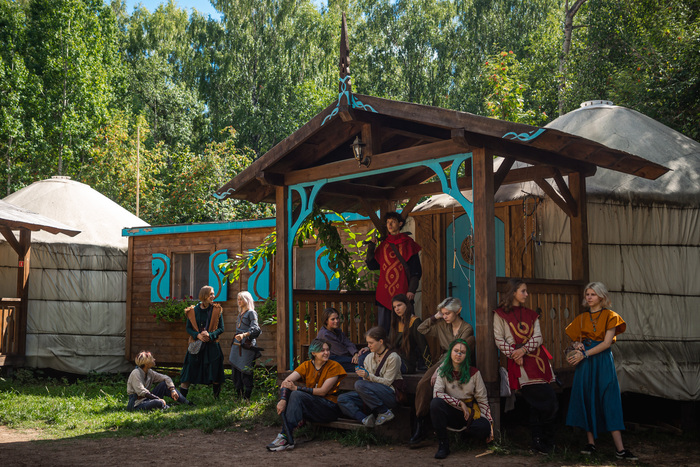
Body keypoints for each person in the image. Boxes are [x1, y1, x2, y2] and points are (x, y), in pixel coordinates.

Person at [565, 282, 637, 461]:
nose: (589, 297)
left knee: (609, 399)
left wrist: (585, 354)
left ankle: (620, 449)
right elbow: (574, 340)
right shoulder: (582, 318)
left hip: (602, 361)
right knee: (587, 397)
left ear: (602, 297)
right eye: (587, 294)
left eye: (593, 294)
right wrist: (577, 344)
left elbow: (606, 343)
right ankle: (591, 444)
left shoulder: (611, 316)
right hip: (585, 363)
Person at [493, 278, 558, 453]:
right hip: (519, 364)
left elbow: (538, 337)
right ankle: (545, 441)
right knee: (545, 400)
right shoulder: (500, 314)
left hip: (537, 361)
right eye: (523, 291)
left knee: (541, 403)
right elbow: (499, 339)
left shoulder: (531, 314)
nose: (526, 294)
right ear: (513, 292)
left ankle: (541, 443)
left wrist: (523, 350)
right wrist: (515, 354)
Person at [410, 297, 476, 445]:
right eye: (443, 313)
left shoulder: (467, 328)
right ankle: (420, 423)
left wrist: (440, 369)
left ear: (458, 311)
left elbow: (458, 350)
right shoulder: (441, 325)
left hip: (458, 361)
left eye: (448, 313)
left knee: (432, 379)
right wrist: (435, 317)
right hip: (443, 359)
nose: (445, 316)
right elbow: (421, 329)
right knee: (423, 383)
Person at [266, 338, 346, 451]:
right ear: (313, 353)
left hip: (329, 408)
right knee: (292, 394)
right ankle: (286, 437)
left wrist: (297, 388)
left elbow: (323, 391)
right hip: (312, 408)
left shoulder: (334, 366)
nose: (326, 352)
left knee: (296, 394)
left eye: (327, 350)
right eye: (322, 350)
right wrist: (283, 400)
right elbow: (286, 382)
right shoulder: (306, 365)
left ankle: (285, 436)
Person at [430, 339, 493, 459]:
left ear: (466, 356)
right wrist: (459, 403)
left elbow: (482, 400)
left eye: (462, 352)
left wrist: (490, 426)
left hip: (469, 414)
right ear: (450, 352)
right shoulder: (442, 371)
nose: (458, 354)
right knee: (435, 404)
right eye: (456, 351)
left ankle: (465, 435)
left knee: (484, 427)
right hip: (451, 412)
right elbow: (437, 393)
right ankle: (443, 445)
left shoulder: (474, 373)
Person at [365, 211, 422, 333]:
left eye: (393, 222)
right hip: (384, 293)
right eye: (388, 222)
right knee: (383, 331)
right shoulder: (383, 245)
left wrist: (411, 290)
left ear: (400, 224)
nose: (389, 225)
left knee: (406, 329)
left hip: (403, 292)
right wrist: (371, 247)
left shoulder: (408, 243)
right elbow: (372, 265)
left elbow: (416, 271)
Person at [338, 326, 403, 426]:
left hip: (389, 394)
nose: (368, 346)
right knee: (342, 399)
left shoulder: (393, 357)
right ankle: (365, 419)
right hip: (371, 396)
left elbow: (387, 382)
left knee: (359, 384)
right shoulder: (369, 357)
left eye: (371, 343)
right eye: (368, 343)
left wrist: (368, 376)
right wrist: (363, 374)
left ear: (381, 341)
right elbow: (366, 383)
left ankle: (384, 411)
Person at [179, 285, 225, 400]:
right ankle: (182, 399)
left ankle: (216, 399)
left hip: (212, 345)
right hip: (196, 346)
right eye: (211, 294)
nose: (213, 296)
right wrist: (197, 335)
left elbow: (221, 328)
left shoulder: (217, 310)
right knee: (188, 371)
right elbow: (188, 328)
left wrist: (210, 335)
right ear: (204, 296)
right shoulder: (193, 311)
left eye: (213, 294)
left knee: (215, 371)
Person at [127, 350, 191, 410]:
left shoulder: (149, 372)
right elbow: (141, 391)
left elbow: (166, 378)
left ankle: (186, 402)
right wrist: (158, 399)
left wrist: (172, 390)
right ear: (146, 363)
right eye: (152, 358)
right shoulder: (136, 373)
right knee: (158, 402)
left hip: (147, 399)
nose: (154, 359)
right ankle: (166, 406)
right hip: (136, 403)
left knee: (164, 385)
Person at [229, 291, 261, 400]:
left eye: (241, 299)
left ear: (247, 300)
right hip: (236, 345)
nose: (239, 301)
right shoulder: (240, 314)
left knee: (246, 371)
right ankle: (239, 396)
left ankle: (246, 398)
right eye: (238, 299)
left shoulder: (251, 313)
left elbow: (256, 329)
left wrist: (244, 335)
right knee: (236, 372)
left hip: (246, 347)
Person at [389, 294, 428, 374]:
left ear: (406, 305)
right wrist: (369, 348)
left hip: (406, 363)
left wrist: (430, 368)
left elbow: (423, 345)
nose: (397, 309)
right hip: (393, 358)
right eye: (394, 307)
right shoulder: (395, 322)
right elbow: (388, 342)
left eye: (399, 305)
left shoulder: (415, 321)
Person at [316, 307, 360, 372]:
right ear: (326, 321)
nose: (336, 321)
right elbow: (341, 351)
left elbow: (348, 343)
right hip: (329, 361)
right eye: (333, 319)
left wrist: (355, 354)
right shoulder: (325, 335)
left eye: (337, 318)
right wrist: (355, 355)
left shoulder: (337, 331)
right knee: (360, 363)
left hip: (341, 358)